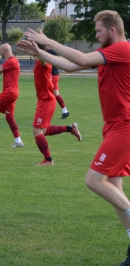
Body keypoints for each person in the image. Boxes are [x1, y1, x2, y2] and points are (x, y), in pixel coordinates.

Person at [17, 10, 130, 264]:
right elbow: (70, 66)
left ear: (112, 30)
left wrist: (47, 41)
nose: (96, 35)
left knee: (94, 180)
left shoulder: (122, 49)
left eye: (99, 30)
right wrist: (38, 53)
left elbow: (78, 55)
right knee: (113, 188)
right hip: (114, 126)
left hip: (125, 125)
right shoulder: (111, 54)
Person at [30, 44, 81, 166]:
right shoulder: (39, 62)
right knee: (44, 130)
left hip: (46, 100)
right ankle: (70, 128)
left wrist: (37, 50)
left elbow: (43, 59)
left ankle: (48, 160)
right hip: (43, 100)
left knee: (37, 131)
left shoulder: (45, 63)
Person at [45, 46, 70, 119]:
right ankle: (65, 111)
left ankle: (46, 112)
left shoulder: (49, 52)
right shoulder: (53, 51)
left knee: (48, 94)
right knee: (56, 94)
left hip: (52, 75)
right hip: (55, 74)